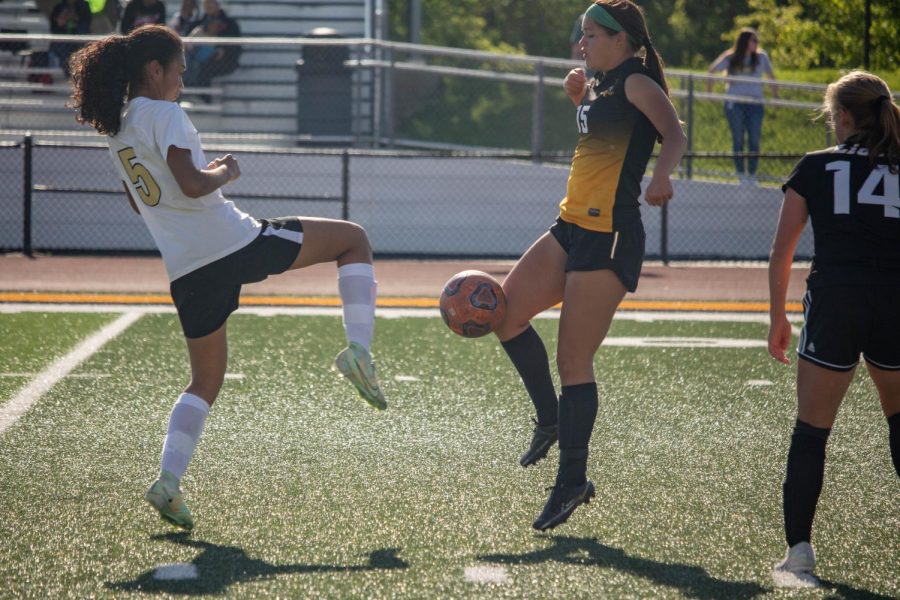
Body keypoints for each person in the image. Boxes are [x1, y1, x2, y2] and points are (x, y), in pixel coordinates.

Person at [68, 24, 387, 531]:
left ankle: (168, 483)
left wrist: (197, 178)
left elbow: (140, 197)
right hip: (232, 244)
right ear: (155, 70)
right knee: (353, 239)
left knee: (205, 381)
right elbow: (194, 185)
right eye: (179, 72)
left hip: (186, 268)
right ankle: (359, 350)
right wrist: (225, 172)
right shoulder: (165, 113)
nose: (181, 83)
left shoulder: (120, 125)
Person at [494, 0, 685, 531]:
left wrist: (662, 176)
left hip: (611, 234)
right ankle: (552, 420)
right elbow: (601, 139)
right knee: (505, 315)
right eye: (582, 36)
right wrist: (579, 98)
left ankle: (571, 480)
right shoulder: (599, 83)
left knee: (573, 361)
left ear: (620, 40)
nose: (582, 45)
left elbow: (675, 133)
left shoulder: (637, 82)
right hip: (571, 226)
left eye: (591, 36)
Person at [767, 70, 900, 587]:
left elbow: (783, 250)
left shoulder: (817, 166)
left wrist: (778, 316)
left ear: (842, 116)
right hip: (895, 298)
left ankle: (799, 554)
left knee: (812, 431)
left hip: (836, 300)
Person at [707, 28, 777, 183]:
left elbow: (772, 77)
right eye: (754, 40)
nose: (756, 44)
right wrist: (710, 93)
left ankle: (751, 174)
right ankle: (741, 174)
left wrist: (775, 97)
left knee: (754, 139)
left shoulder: (761, 57)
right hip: (735, 104)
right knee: (738, 139)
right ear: (745, 42)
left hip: (755, 104)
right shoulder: (731, 57)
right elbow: (712, 70)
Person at [182, 0, 241, 95]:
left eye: (211, 2)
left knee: (203, 68)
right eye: (206, 3)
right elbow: (187, 41)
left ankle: (203, 99)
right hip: (195, 58)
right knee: (186, 64)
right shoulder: (199, 24)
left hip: (222, 61)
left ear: (218, 4)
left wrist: (221, 51)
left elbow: (236, 46)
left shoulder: (230, 25)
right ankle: (187, 94)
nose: (208, 5)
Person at [48, 0, 91, 77]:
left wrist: (75, 18)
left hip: (79, 37)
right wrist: (63, 19)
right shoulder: (59, 7)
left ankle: (78, 70)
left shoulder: (83, 6)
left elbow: (85, 24)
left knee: (80, 44)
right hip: (63, 39)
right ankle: (68, 71)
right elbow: (55, 26)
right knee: (61, 46)